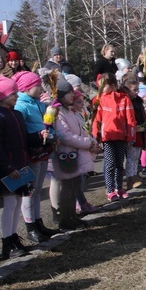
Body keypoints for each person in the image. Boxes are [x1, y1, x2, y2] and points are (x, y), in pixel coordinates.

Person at [0, 75, 45, 259]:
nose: (16, 96)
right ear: (1, 95)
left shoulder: (15, 114)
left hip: (20, 165)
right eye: (13, 94)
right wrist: (8, 167)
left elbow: (24, 139)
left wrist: (38, 136)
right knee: (10, 204)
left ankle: (14, 237)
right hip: (7, 169)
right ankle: (7, 242)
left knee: (18, 203)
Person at [13, 70, 59, 242]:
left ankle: (39, 223)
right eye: (37, 85)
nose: (41, 88)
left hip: (42, 150)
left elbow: (47, 122)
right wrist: (38, 136)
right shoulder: (21, 106)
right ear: (26, 88)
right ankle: (30, 226)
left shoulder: (38, 103)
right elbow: (21, 133)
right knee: (29, 191)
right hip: (31, 153)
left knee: (38, 189)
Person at [50, 79, 96, 230]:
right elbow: (66, 136)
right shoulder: (57, 112)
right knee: (68, 188)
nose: (72, 95)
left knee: (75, 185)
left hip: (77, 153)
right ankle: (65, 219)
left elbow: (81, 129)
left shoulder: (69, 111)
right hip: (67, 155)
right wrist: (87, 143)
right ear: (62, 95)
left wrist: (91, 140)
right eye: (69, 93)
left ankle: (72, 217)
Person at [92, 72, 136, 201]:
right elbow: (96, 120)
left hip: (121, 137)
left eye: (103, 86)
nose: (101, 89)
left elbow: (130, 120)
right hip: (107, 137)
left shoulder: (124, 99)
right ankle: (110, 190)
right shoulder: (99, 100)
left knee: (119, 163)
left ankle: (119, 188)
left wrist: (130, 137)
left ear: (112, 85)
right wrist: (96, 137)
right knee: (110, 164)